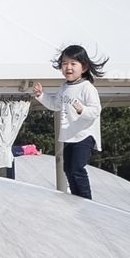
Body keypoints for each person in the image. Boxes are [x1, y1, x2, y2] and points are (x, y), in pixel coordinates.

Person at [33, 45, 106, 199]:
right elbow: (55, 105)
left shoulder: (87, 88)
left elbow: (95, 110)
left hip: (84, 135)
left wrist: (82, 110)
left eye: (73, 64)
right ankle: (77, 198)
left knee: (77, 168)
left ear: (84, 67)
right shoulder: (64, 87)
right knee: (68, 169)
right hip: (70, 135)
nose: (68, 68)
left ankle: (86, 200)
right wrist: (41, 96)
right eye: (65, 64)